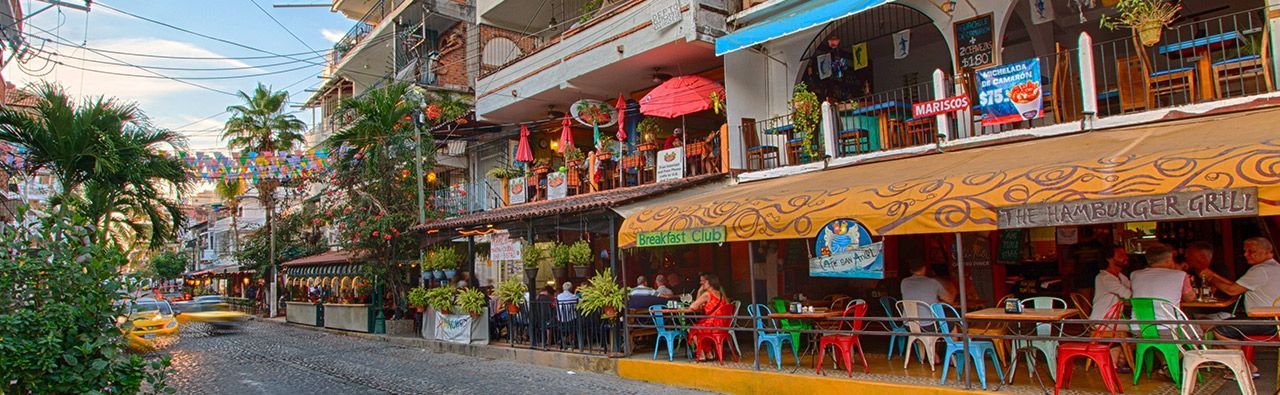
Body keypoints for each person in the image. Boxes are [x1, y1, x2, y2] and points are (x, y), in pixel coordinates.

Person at [1201, 237, 1280, 376]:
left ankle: (1246, 367)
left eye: (1252, 251)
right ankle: (1228, 361)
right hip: (1273, 320)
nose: (1246, 255)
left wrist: (1211, 277)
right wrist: (1213, 275)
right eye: (1245, 251)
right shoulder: (1273, 267)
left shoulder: (1260, 271)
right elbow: (1235, 286)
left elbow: (1232, 290)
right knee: (1214, 325)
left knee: (1221, 330)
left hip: (1268, 321)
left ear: (1267, 252)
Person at [1090, 245, 1133, 373]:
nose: (1125, 258)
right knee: (1140, 328)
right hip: (1102, 321)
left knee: (1136, 328)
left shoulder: (1120, 276)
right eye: (1120, 256)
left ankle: (1117, 359)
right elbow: (1129, 295)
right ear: (1109, 259)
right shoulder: (1104, 278)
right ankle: (1119, 359)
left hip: (1113, 320)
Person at [1130, 244, 1196, 321]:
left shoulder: (1134, 275)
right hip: (1171, 328)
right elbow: (1190, 298)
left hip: (1139, 327)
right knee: (1199, 329)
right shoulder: (1181, 275)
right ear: (1168, 260)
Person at [684, 274, 734, 362]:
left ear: (709, 283)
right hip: (723, 325)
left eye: (704, 282)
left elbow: (693, 306)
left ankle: (703, 353)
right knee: (700, 326)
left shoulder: (707, 294)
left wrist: (699, 292)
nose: (702, 284)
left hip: (713, 324)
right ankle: (709, 353)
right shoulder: (720, 294)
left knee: (693, 329)